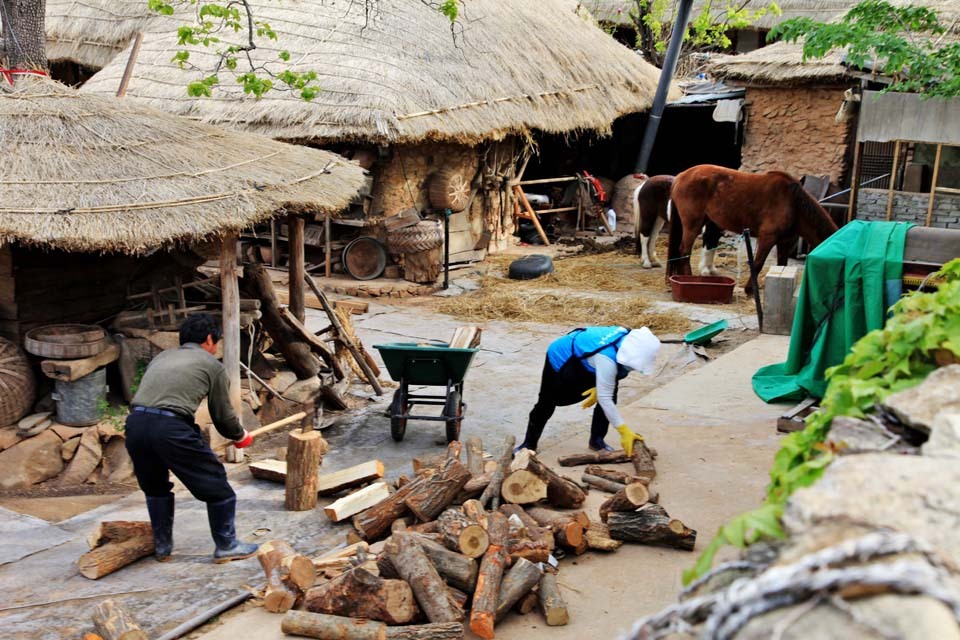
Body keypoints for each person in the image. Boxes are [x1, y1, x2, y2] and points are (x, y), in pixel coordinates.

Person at [124, 313, 259, 564]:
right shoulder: (212, 366)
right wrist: (240, 435)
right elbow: (222, 415)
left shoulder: (162, 357)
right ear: (209, 339)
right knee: (218, 488)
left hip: (136, 424)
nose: (216, 348)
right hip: (170, 427)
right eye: (216, 342)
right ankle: (227, 545)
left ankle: (163, 547)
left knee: (156, 488)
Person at [517, 326, 661, 454]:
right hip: (564, 358)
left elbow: (612, 382)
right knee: (547, 402)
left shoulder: (627, 342)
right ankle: (528, 444)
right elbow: (605, 398)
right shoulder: (607, 358)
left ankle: (597, 441)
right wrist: (624, 431)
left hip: (588, 359)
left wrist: (601, 387)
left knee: (610, 395)